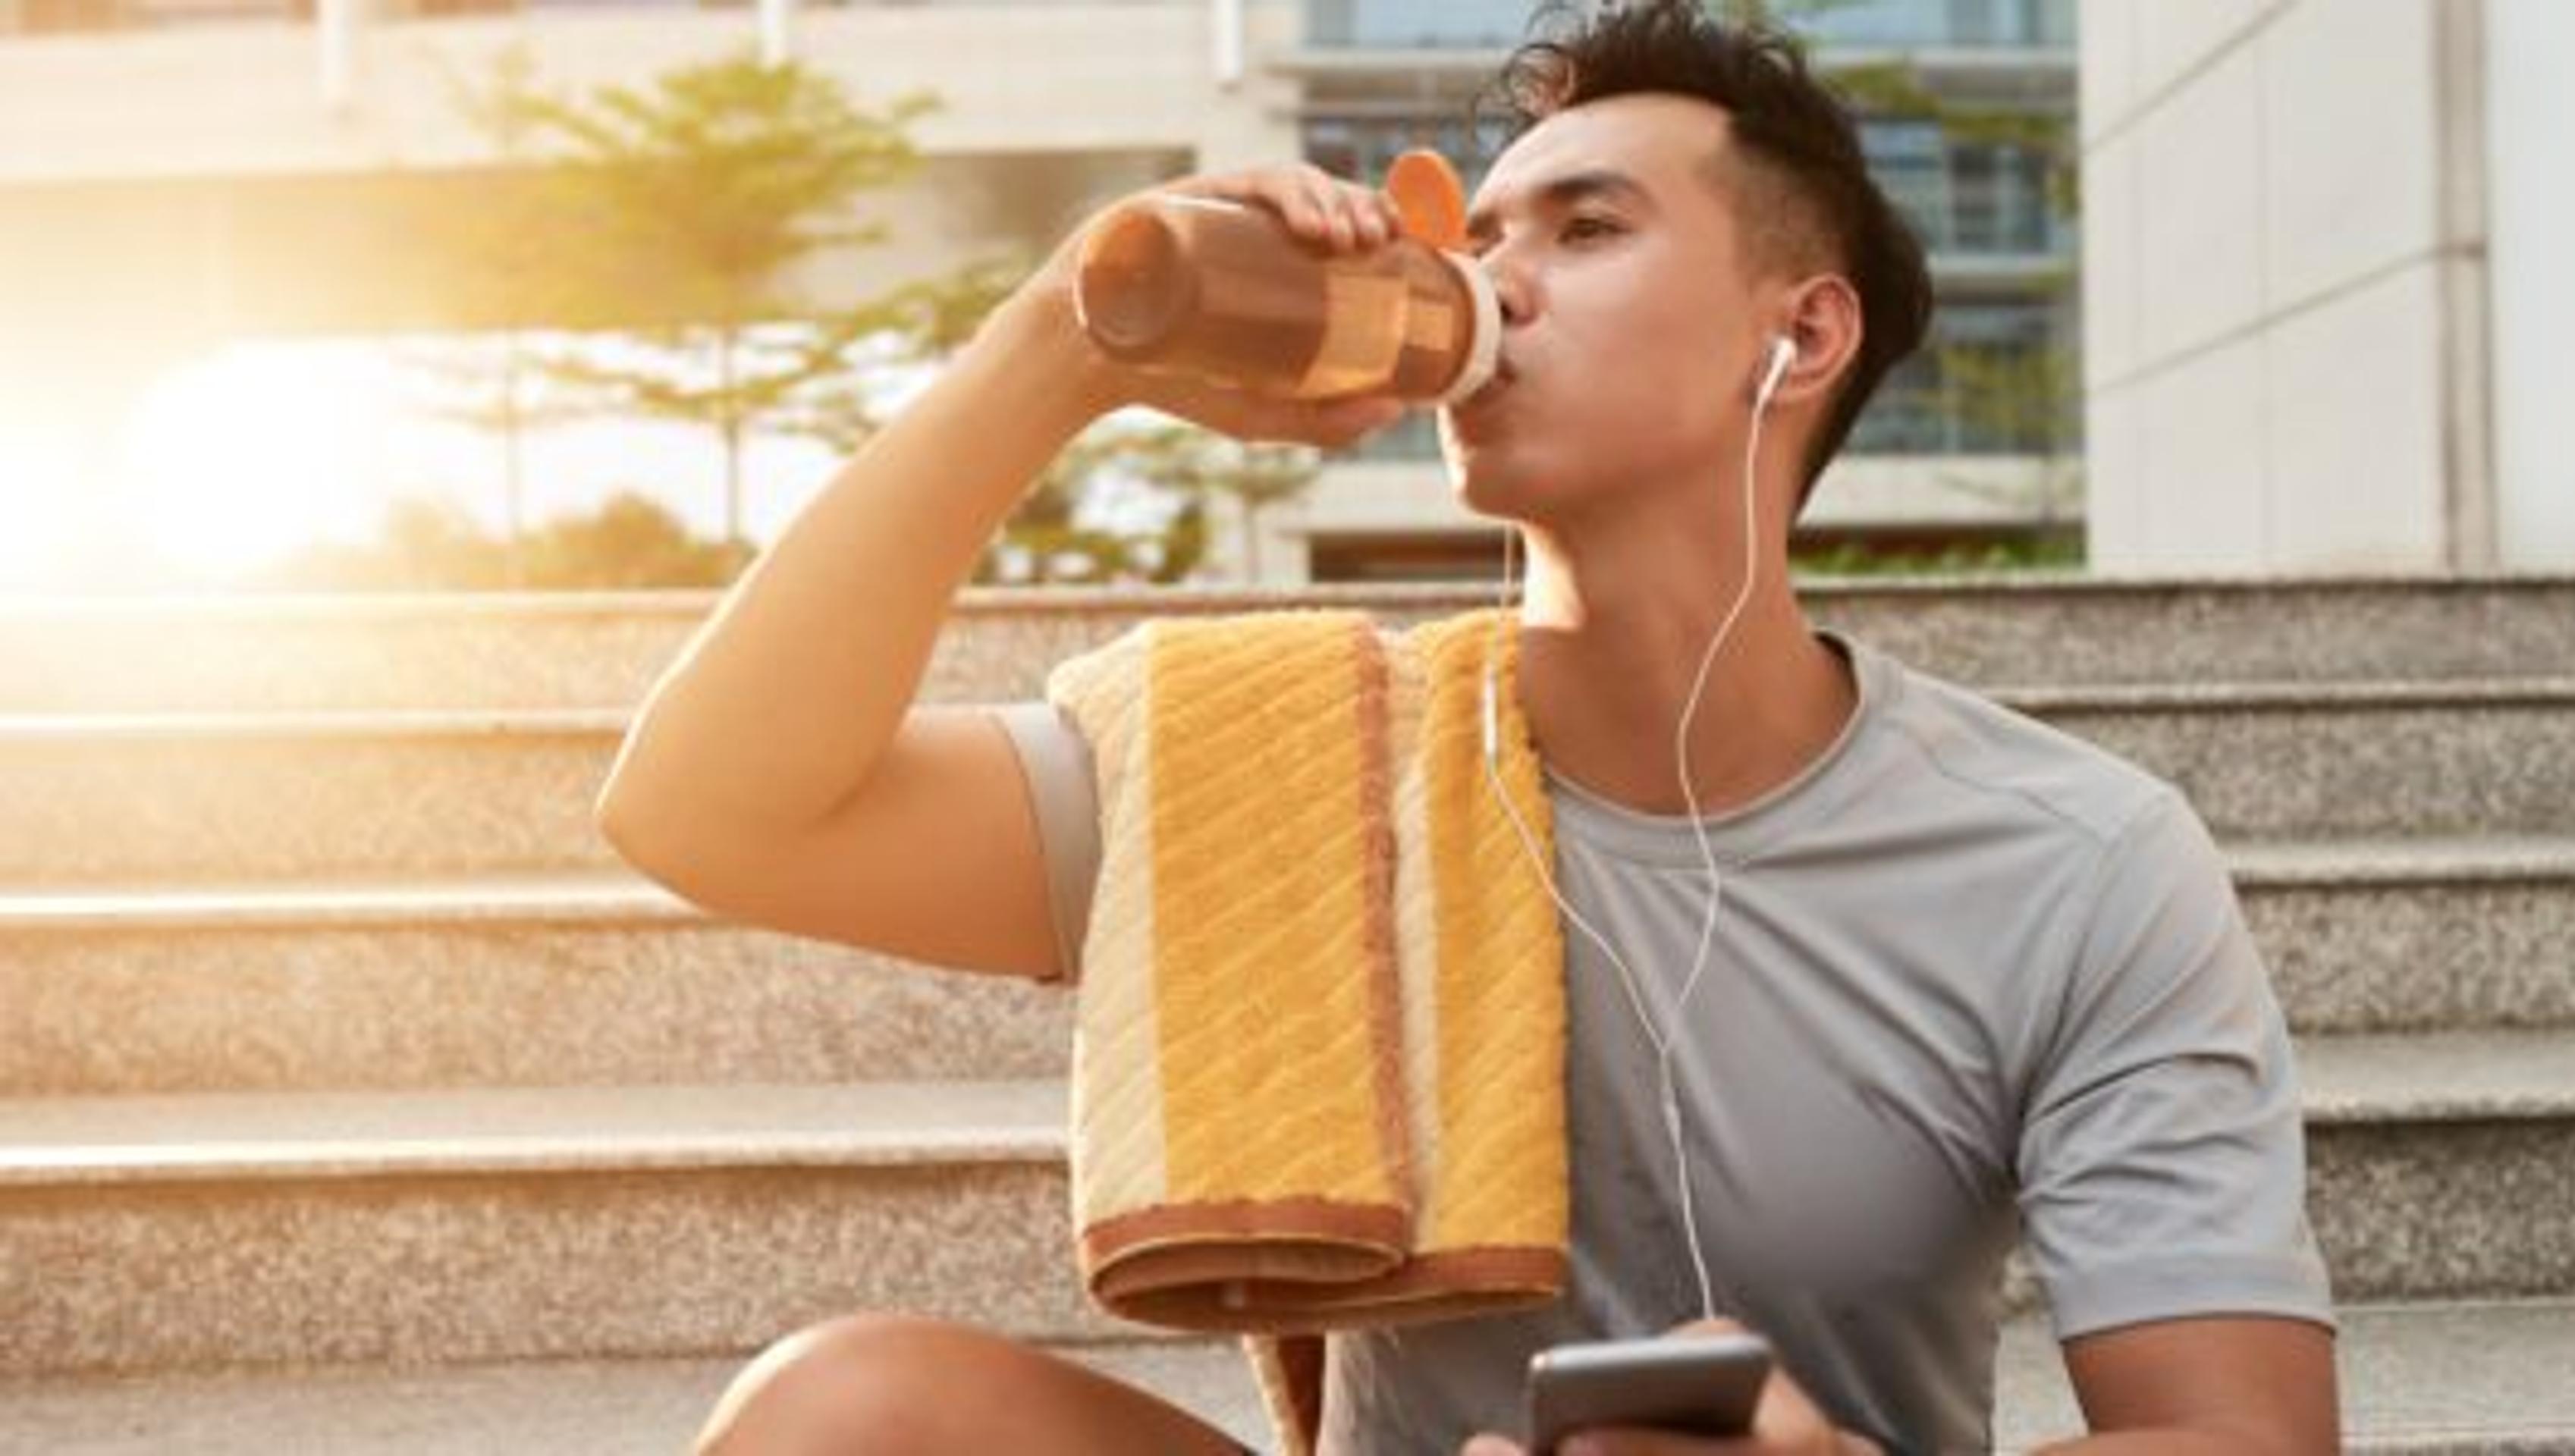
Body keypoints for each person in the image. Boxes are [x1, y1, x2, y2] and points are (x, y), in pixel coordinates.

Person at [595, 3, 2340, 1452]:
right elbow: (709, 810)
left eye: (1586, 230)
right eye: (1480, 239)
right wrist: (1070, 340)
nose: (1499, 284)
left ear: (1798, 336)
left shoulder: (2072, 857)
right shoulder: (1289, 761)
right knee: (852, 1408)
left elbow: (2242, 1435)